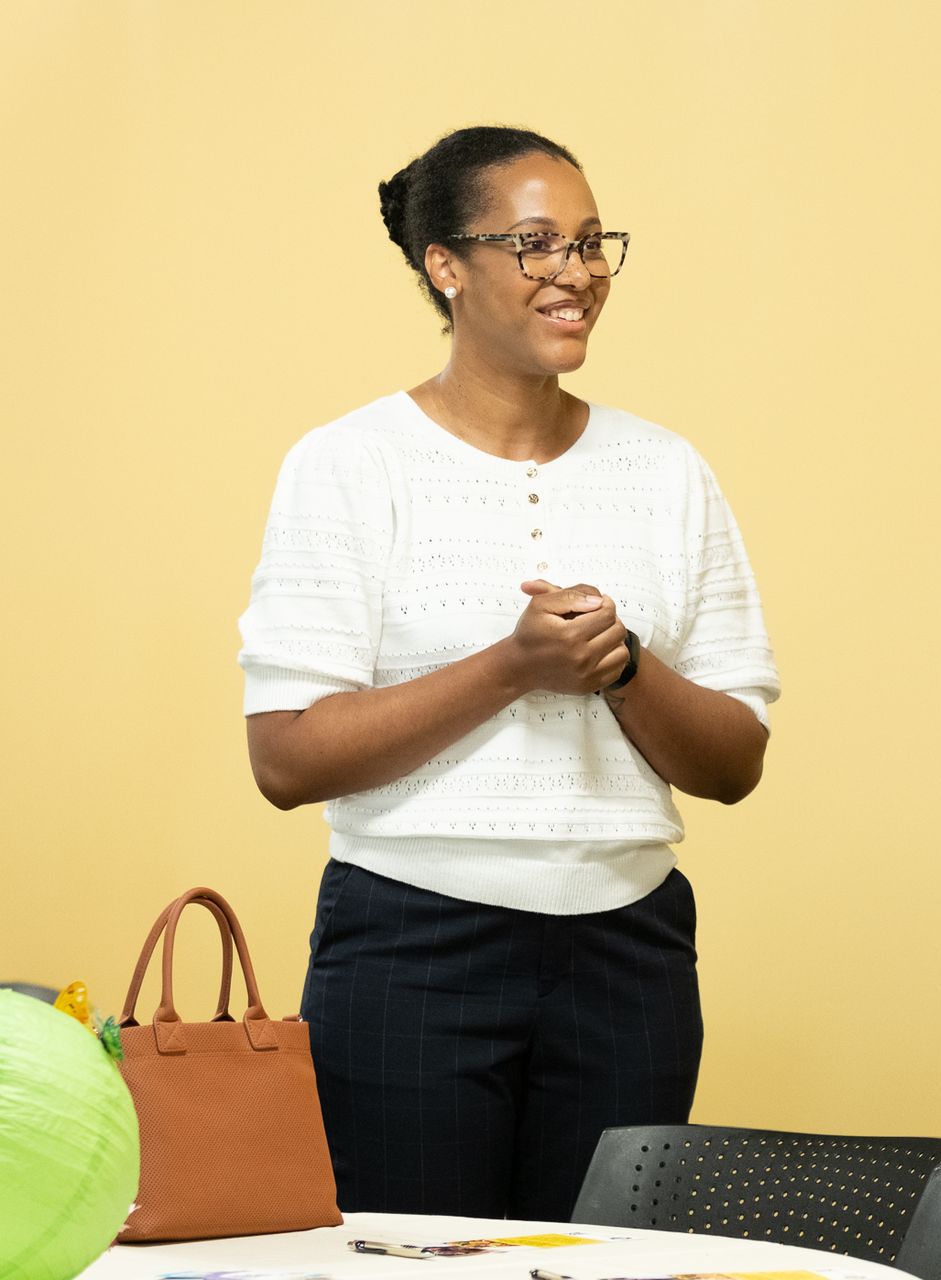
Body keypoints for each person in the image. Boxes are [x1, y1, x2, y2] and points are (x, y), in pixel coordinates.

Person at [237, 126, 779, 1219]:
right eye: (535, 244)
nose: (575, 272)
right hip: (409, 947)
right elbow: (286, 755)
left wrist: (625, 666)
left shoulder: (667, 471)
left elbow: (736, 760)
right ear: (446, 263)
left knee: (610, 1259)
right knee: (412, 1257)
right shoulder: (351, 465)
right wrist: (512, 665)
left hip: (631, 951)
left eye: (590, 242)